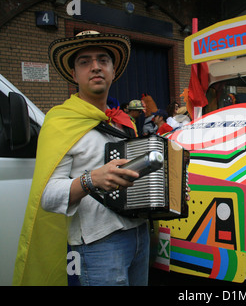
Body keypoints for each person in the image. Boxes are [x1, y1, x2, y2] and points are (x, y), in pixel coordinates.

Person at [13, 30, 150, 286]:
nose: (95, 67)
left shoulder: (123, 121)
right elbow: (47, 195)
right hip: (98, 244)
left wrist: (169, 187)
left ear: (113, 70)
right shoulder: (59, 122)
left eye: (103, 60)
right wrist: (91, 180)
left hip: (141, 234)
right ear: (74, 74)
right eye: (85, 62)